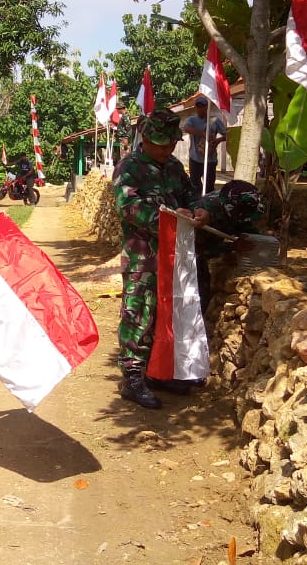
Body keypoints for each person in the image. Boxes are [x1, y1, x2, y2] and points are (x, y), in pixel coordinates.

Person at [112, 109, 209, 409]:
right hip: (144, 256)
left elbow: (191, 195)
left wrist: (199, 210)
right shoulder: (130, 167)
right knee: (139, 313)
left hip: (174, 256)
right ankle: (133, 377)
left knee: (170, 314)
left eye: (170, 144)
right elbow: (127, 206)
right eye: (160, 144)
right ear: (145, 138)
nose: (166, 150)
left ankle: (160, 371)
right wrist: (167, 219)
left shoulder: (174, 167)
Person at [193, 180, 266, 314]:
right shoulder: (203, 214)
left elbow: (244, 225)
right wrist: (232, 247)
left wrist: (261, 239)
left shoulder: (241, 202)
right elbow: (200, 250)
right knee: (198, 296)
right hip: (189, 256)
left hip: (207, 245)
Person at [181, 96, 228, 195]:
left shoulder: (214, 120)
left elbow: (227, 135)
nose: (200, 109)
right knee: (195, 185)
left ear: (207, 107)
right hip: (195, 159)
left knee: (209, 186)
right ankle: (196, 204)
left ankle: (207, 205)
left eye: (202, 106)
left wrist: (217, 140)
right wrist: (203, 134)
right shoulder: (192, 120)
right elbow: (186, 128)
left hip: (210, 159)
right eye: (198, 107)